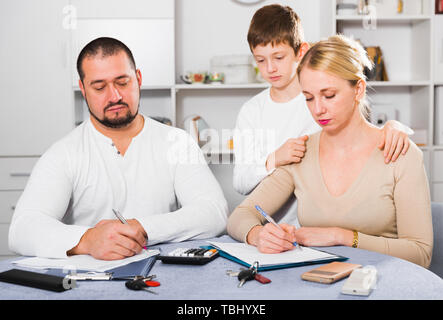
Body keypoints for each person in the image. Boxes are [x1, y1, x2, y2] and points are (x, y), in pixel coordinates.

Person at [9, 37, 228, 260]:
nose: (114, 96)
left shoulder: (177, 142)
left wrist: (141, 227)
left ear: (138, 79)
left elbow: (213, 212)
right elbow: (22, 229)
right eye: (99, 87)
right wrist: (88, 240)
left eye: (122, 82)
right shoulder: (63, 153)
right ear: (84, 90)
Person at [227, 34, 433, 268]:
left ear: (358, 90)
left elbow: (420, 253)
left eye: (329, 95)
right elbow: (239, 216)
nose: (318, 109)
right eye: (308, 98)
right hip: (317, 283)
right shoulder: (301, 153)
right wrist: (258, 235)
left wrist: (340, 236)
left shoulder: (400, 154)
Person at [233, 4, 412, 226]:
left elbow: (360, 132)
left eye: (278, 57)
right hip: (275, 227)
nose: (270, 68)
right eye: (261, 60)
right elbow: (240, 182)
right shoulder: (252, 111)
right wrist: (275, 158)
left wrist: (395, 126)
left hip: (325, 224)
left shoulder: (324, 99)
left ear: (301, 51)